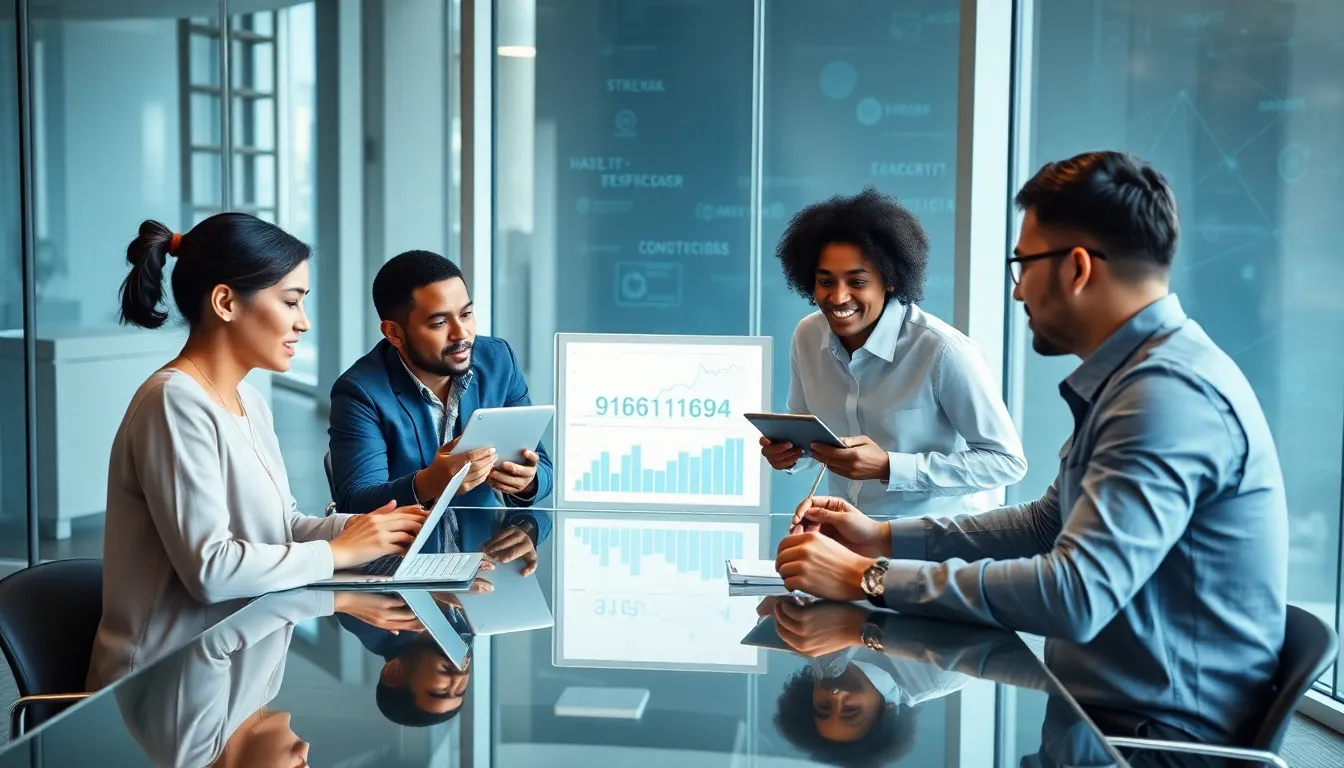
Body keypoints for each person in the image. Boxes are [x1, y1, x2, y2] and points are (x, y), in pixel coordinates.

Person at [773, 152, 1288, 745]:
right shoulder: (1135, 382)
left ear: (1076, 269)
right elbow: (1047, 525)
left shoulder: (1162, 399)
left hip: (1147, 743)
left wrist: (868, 576)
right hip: (1095, 720)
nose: (1017, 290)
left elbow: (1074, 594)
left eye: (1023, 264)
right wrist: (882, 537)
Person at [90, 214, 428, 688]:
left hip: (232, 655)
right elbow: (211, 570)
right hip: (165, 681)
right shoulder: (174, 403)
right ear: (226, 302)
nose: (303, 323)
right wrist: (337, 552)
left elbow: (282, 526)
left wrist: (364, 530)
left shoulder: (248, 399)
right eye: (291, 301)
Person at [762, 188, 1026, 518]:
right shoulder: (807, 335)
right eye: (825, 281)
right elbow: (808, 435)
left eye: (856, 282)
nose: (838, 297)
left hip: (933, 550)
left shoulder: (943, 351)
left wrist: (889, 467)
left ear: (888, 280)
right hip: (846, 540)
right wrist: (790, 454)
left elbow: (1006, 463)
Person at [328, 250, 552, 571]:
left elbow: (543, 467)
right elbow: (355, 502)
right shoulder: (360, 391)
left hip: (486, 565)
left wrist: (527, 480)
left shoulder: (498, 360)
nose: (461, 334)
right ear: (394, 333)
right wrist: (430, 483)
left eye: (466, 314)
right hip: (401, 573)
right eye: (439, 322)